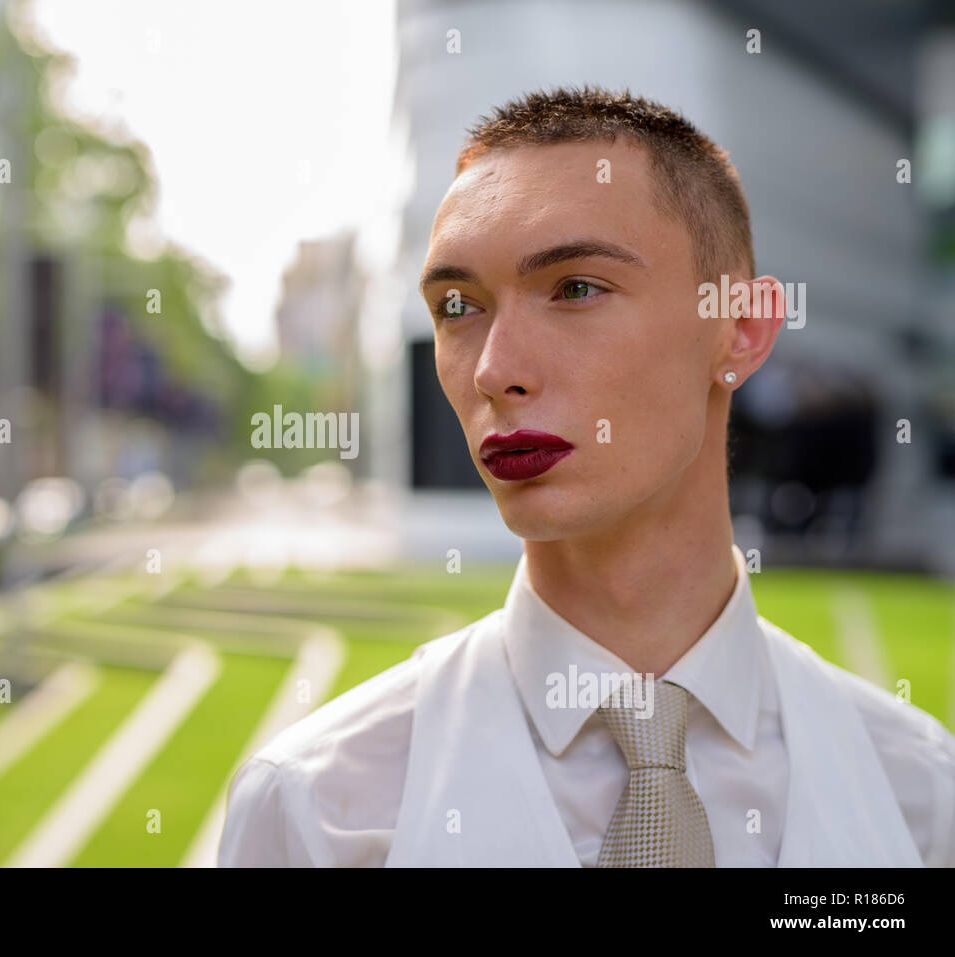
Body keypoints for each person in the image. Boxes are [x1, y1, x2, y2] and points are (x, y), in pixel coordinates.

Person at [216, 86, 955, 867]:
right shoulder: (315, 809)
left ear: (741, 327)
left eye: (575, 288)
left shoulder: (920, 793)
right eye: (458, 305)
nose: (496, 370)